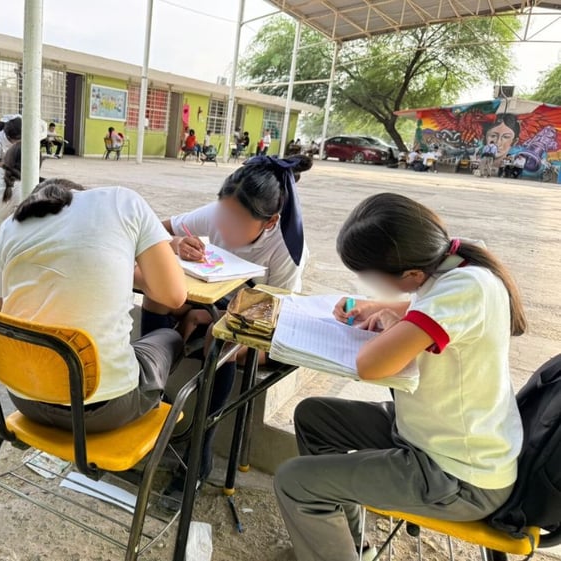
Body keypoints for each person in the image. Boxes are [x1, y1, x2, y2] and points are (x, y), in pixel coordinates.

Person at [274, 193, 525, 561]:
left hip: (459, 475)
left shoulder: (466, 290)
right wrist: (375, 307)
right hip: (430, 434)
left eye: (371, 279)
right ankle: (348, 545)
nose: (370, 286)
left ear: (411, 274)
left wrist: (392, 325)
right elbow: (420, 306)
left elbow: (371, 366)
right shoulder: (456, 268)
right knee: (315, 416)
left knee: (295, 481)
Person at [140, 155, 312, 504]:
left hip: (263, 329)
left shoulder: (288, 249)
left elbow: (274, 313)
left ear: (270, 221)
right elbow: (151, 231)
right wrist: (173, 244)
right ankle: (148, 409)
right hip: (216, 306)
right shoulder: (219, 213)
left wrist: (216, 316)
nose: (225, 225)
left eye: (237, 220)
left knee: (220, 341)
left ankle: (197, 454)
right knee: (157, 296)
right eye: (223, 214)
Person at [0, 180, 187, 433]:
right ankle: (155, 405)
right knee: (169, 337)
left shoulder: (11, 226)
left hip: (26, 399)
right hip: (107, 410)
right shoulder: (124, 202)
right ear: (78, 193)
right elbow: (175, 296)